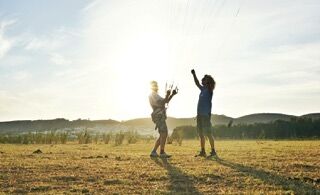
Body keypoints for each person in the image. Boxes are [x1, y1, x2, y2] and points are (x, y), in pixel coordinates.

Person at [191, 69, 217, 158]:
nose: (202, 80)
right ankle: (203, 151)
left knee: (208, 133)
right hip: (199, 115)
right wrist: (194, 74)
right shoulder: (202, 89)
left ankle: (213, 151)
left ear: (208, 81)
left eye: (204, 79)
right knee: (201, 134)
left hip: (205, 116)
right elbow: (197, 83)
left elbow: (201, 82)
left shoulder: (209, 90)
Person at [149, 81, 178, 158]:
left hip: (159, 115)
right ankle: (161, 152)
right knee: (164, 133)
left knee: (162, 134)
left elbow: (166, 101)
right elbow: (162, 102)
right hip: (158, 115)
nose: (156, 87)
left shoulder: (156, 95)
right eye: (154, 85)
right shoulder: (153, 95)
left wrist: (171, 95)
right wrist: (168, 95)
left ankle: (154, 151)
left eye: (156, 85)